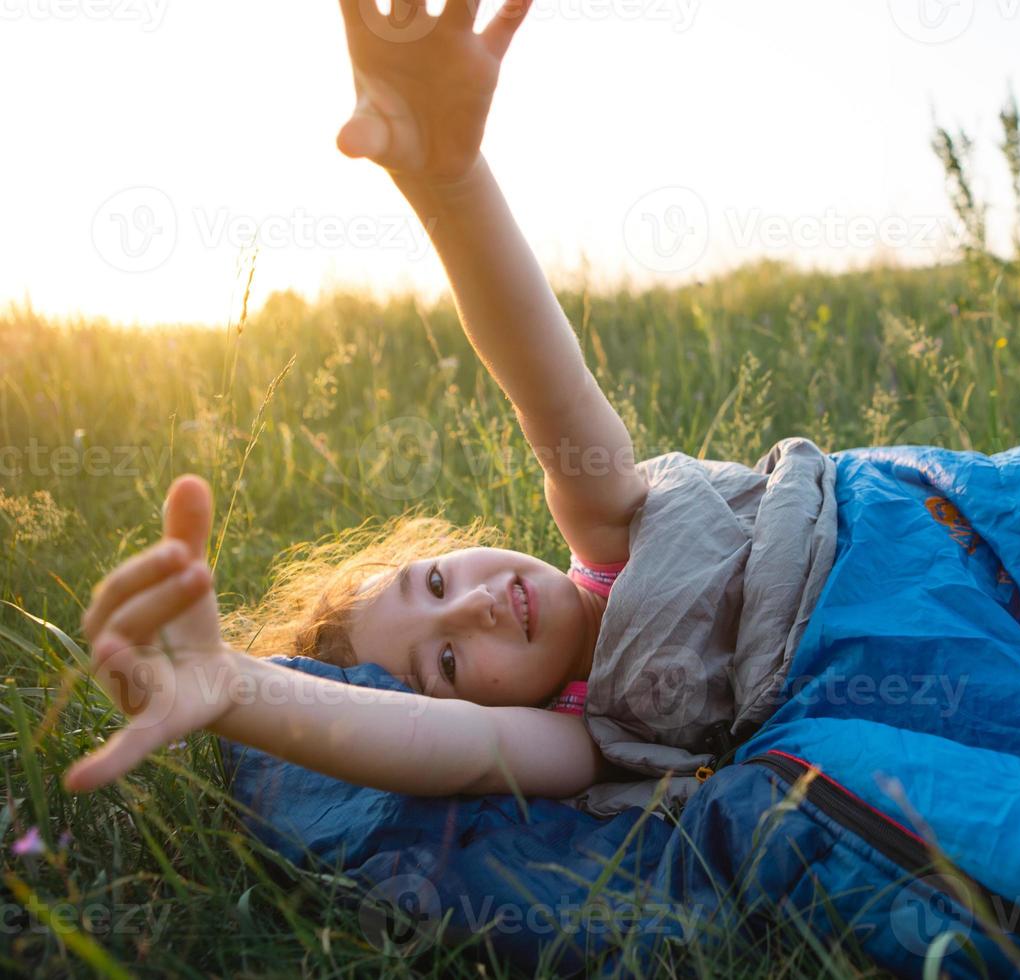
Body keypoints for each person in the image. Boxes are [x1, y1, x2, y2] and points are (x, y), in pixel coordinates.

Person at [66, 0, 662, 801]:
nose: (481, 605)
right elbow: (468, 748)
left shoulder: (609, 528)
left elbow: (547, 385)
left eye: (440, 583)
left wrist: (450, 181)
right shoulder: (579, 736)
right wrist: (237, 689)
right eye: (445, 664)